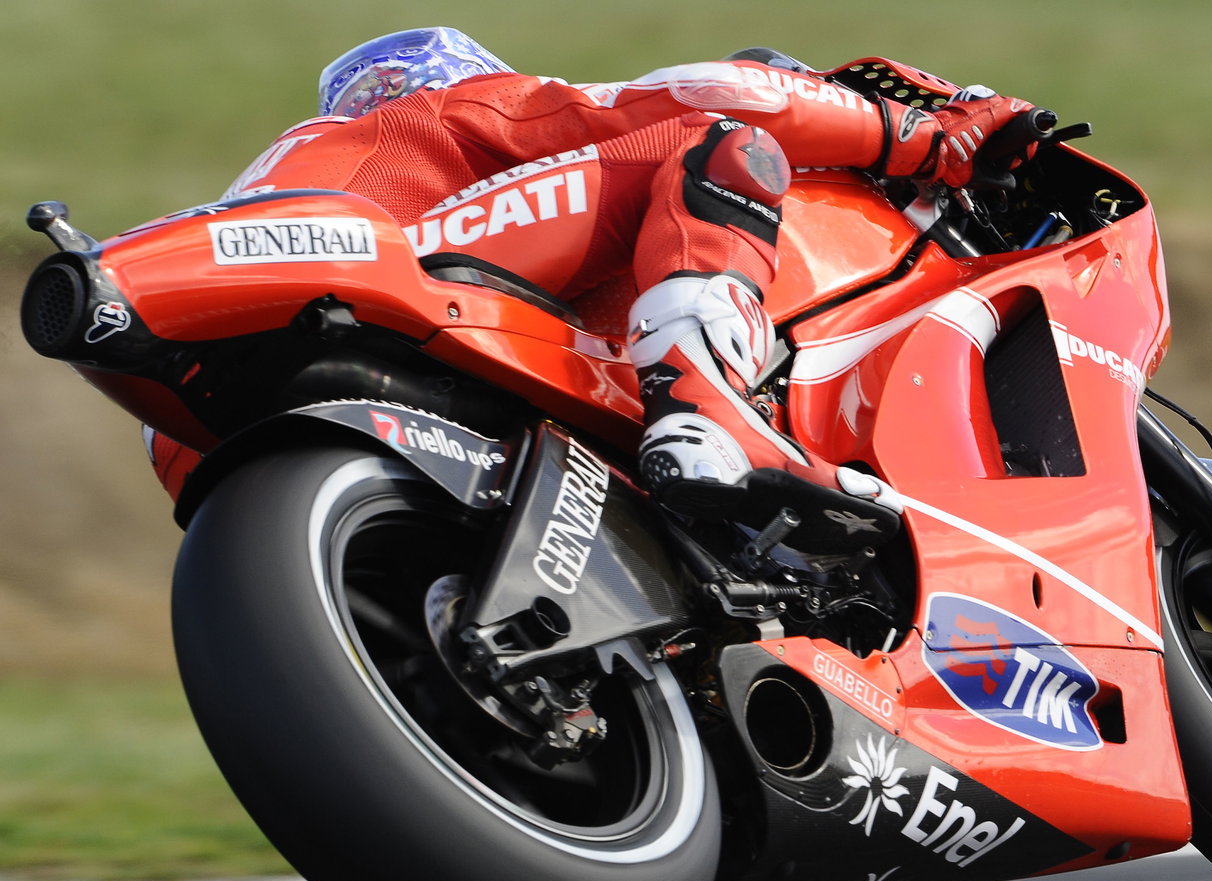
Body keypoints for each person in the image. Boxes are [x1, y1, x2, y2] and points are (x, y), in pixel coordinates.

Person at [156, 28, 1036, 551]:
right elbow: (713, 91)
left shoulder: (278, 178)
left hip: (204, 431)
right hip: (396, 276)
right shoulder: (428, 110)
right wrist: (920, 139)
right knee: (718, 144)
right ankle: (706, 410)